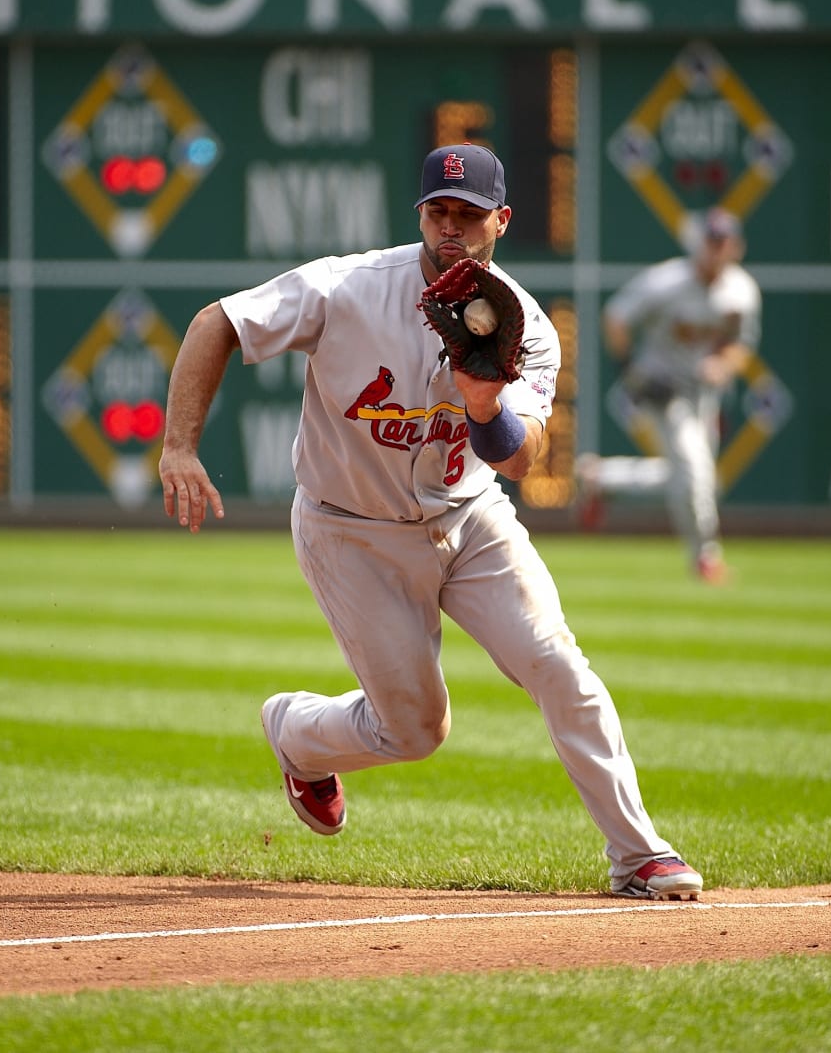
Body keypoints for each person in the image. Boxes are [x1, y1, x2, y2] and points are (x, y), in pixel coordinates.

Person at [158, 143, 703, 901]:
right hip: (351, 530)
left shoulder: (526, 325)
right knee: (416, 732)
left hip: (471, 518)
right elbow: (217, 322)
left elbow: (522, 458)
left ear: (501, 221)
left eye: (470, 214)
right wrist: (180, 445)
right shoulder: (347, 287)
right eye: (439, 210)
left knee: (558, 666)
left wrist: (485, 406)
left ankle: (640, 855)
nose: (452, 226)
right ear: (420, 213)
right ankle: (295, 734)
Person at [595, 206, 762, 584]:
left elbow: (740, 346)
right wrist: (628, 371)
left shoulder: (741, 291)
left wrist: (723, 363)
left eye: (724, 243)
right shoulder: (667, 281)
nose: (716, 249)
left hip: (703, 393)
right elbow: (616, 317)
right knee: (696, 473)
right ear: (700, 243)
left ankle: (602, 479)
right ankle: (706, 557)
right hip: (663, 389)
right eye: (711, 241)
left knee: (694, 479)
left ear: (736, 247)